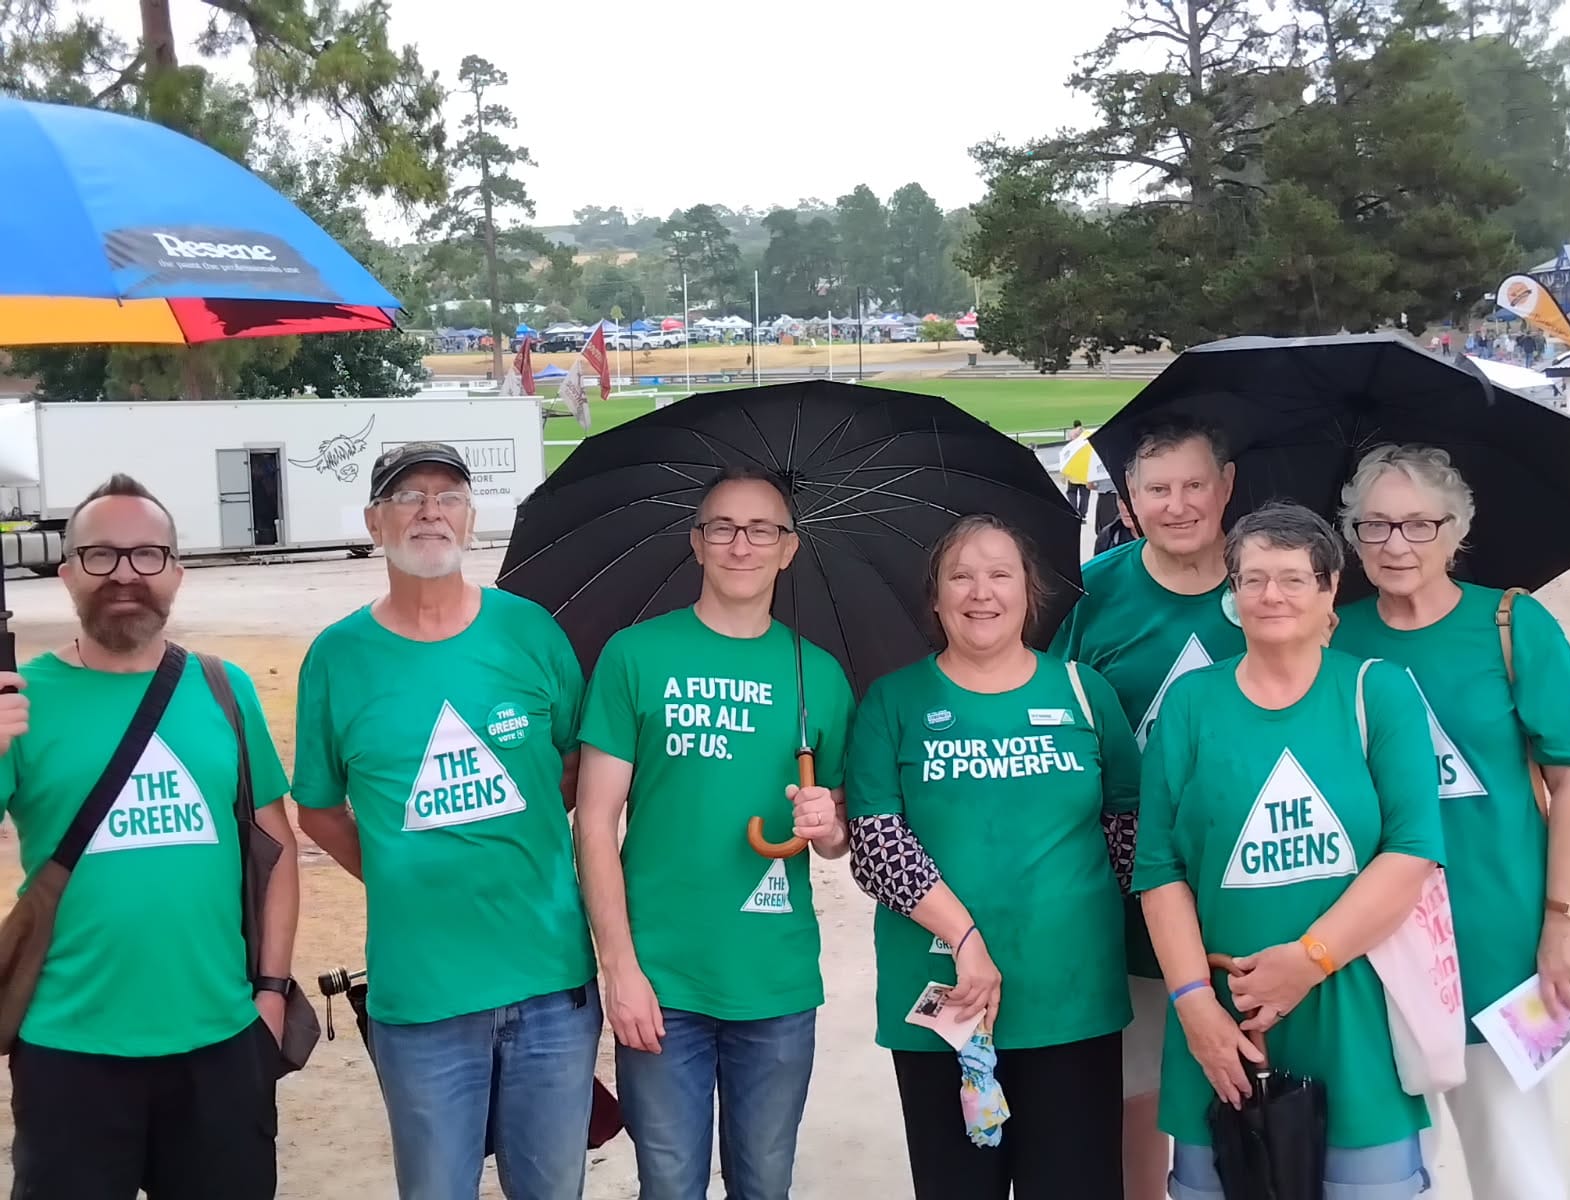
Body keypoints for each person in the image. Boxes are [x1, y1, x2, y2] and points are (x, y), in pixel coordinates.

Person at [293, 442, 600, 1200]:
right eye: (409, 496)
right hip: (422, 1001)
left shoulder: (530, 633)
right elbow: (319, 809)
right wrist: (397, 869)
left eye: (449, 495)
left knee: (553, 1188)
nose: (431, 510)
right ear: (374, 520)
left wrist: (507, 845)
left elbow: (572, 764)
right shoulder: (337, 658)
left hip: (550, 988)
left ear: (470, 518)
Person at [0, 474, 298, 1198]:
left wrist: (271, 995)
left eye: (146, 555)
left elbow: (279, 848)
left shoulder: (225, 689)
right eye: (100, 556)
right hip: (67, 1050)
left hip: (222, 1044)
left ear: (176, 571)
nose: (125, 573)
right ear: (65, 570)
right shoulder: (20, 700)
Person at [1136, 501, 1444, 1199]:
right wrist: (1193, 1008)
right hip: (1222, 1030)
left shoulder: (1378, 692)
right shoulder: (1190, 704)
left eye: (1293, 578)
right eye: (1252, 579)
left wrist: (1308, 961)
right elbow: (1159, 870)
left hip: (1355, 1019)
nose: (1271, 595)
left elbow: (1413, 850)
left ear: (1330, 589)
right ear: (1232, 595)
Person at [575, 464, 855, 1200]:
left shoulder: (817, 675)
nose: (742, 545)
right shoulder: (634, 657)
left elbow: (835, 837)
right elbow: (596, 822)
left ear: (789, 548)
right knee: (670, 1184)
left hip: (776, 981)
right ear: (696, 543)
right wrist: (621, 970)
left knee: (765, 1183)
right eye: (722, 528)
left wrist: (828, 824)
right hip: (663, 983)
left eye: (762, 529)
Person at [1331, 444, 1570, 1199]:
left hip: (1504, 936)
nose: (1395, 545)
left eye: (1419, 525)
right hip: (1373, 946)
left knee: (1515, 1157)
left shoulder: (1513, 624)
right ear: (1351, 536)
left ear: (1457, 531)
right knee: (1386, 1166)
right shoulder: (1333, 636)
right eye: (1375, 525)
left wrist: (1565, 918)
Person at [846, 514, 1140, 1198]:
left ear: (1029, 593)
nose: (982, 592)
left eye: (1000, 573)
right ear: (936, 599)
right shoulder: (895, 701)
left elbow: (1128, 829)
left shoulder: (1082, 692)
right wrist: (966, 937)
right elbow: (876, 841)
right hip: (945, 1007)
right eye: (962, 576)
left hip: (1073, 1004)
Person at [1045, 415, 1244, 1200]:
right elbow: (1056, 712)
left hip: (1243, 878)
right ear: (1127, 501)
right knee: (1136, 1078)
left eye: (1196, 485)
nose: (1179, 504)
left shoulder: (1266, 580)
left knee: (1242, 1067)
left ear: (1227, 487)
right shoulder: (1096, 591)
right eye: (1157, 489)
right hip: (1124, 881)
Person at [1066, 420, 1091, 519]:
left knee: (1072, 492)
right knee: (1085, 494)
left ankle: (1074, 511)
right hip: (1085, 471)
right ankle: (1083, 514)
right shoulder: (1085, 435)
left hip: (1073, 471)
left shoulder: (1071, 435)